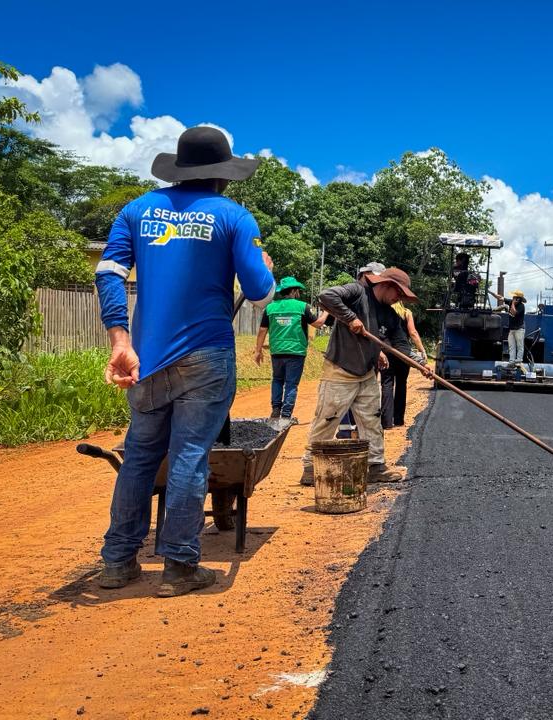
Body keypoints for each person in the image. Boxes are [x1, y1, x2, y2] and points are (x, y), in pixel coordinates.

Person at [95, 126, 275, 597]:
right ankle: (178, 567)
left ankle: (117, 563)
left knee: (139, 457)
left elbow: (108, 272)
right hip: (205, 357)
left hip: (145, 358)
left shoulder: (136, 210)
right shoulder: (235, 217)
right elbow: (259, 292)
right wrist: (267, 270)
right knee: (190, 457)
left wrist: (119, 337)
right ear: (223, 177)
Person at [301, 264, 426, 486]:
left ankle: (375, 466)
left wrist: (420, 365)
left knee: (372, 419)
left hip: (366, 372)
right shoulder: (357, 292)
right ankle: (311, 466)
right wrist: (350, 318)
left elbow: (400, 344)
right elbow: (325, 296)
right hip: (340, 368)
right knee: (327, 418)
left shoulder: (389, 313)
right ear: (387, 286)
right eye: (398, 293)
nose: (399, 299)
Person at [254, 277, 327, 421]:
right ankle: (286, 415)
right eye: (298, 291)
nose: (298, 293)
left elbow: (262, 330)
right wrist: (327, 311)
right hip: (296, 351)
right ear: (293, 291)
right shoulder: (302, 307)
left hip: (277, 350)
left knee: (277, 380)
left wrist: (258, 350)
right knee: (291, 383)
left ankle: (275, 410)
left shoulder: (270, 307)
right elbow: (318, 324)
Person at [379, 300, 429, 429]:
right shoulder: (406, 313)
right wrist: (422, 350)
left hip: (387, 352)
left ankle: (386, 421)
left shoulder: (383, 313)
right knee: (401, 384)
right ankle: (399, 420)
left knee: (387, 384)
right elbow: (413, 333)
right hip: (403, 353)